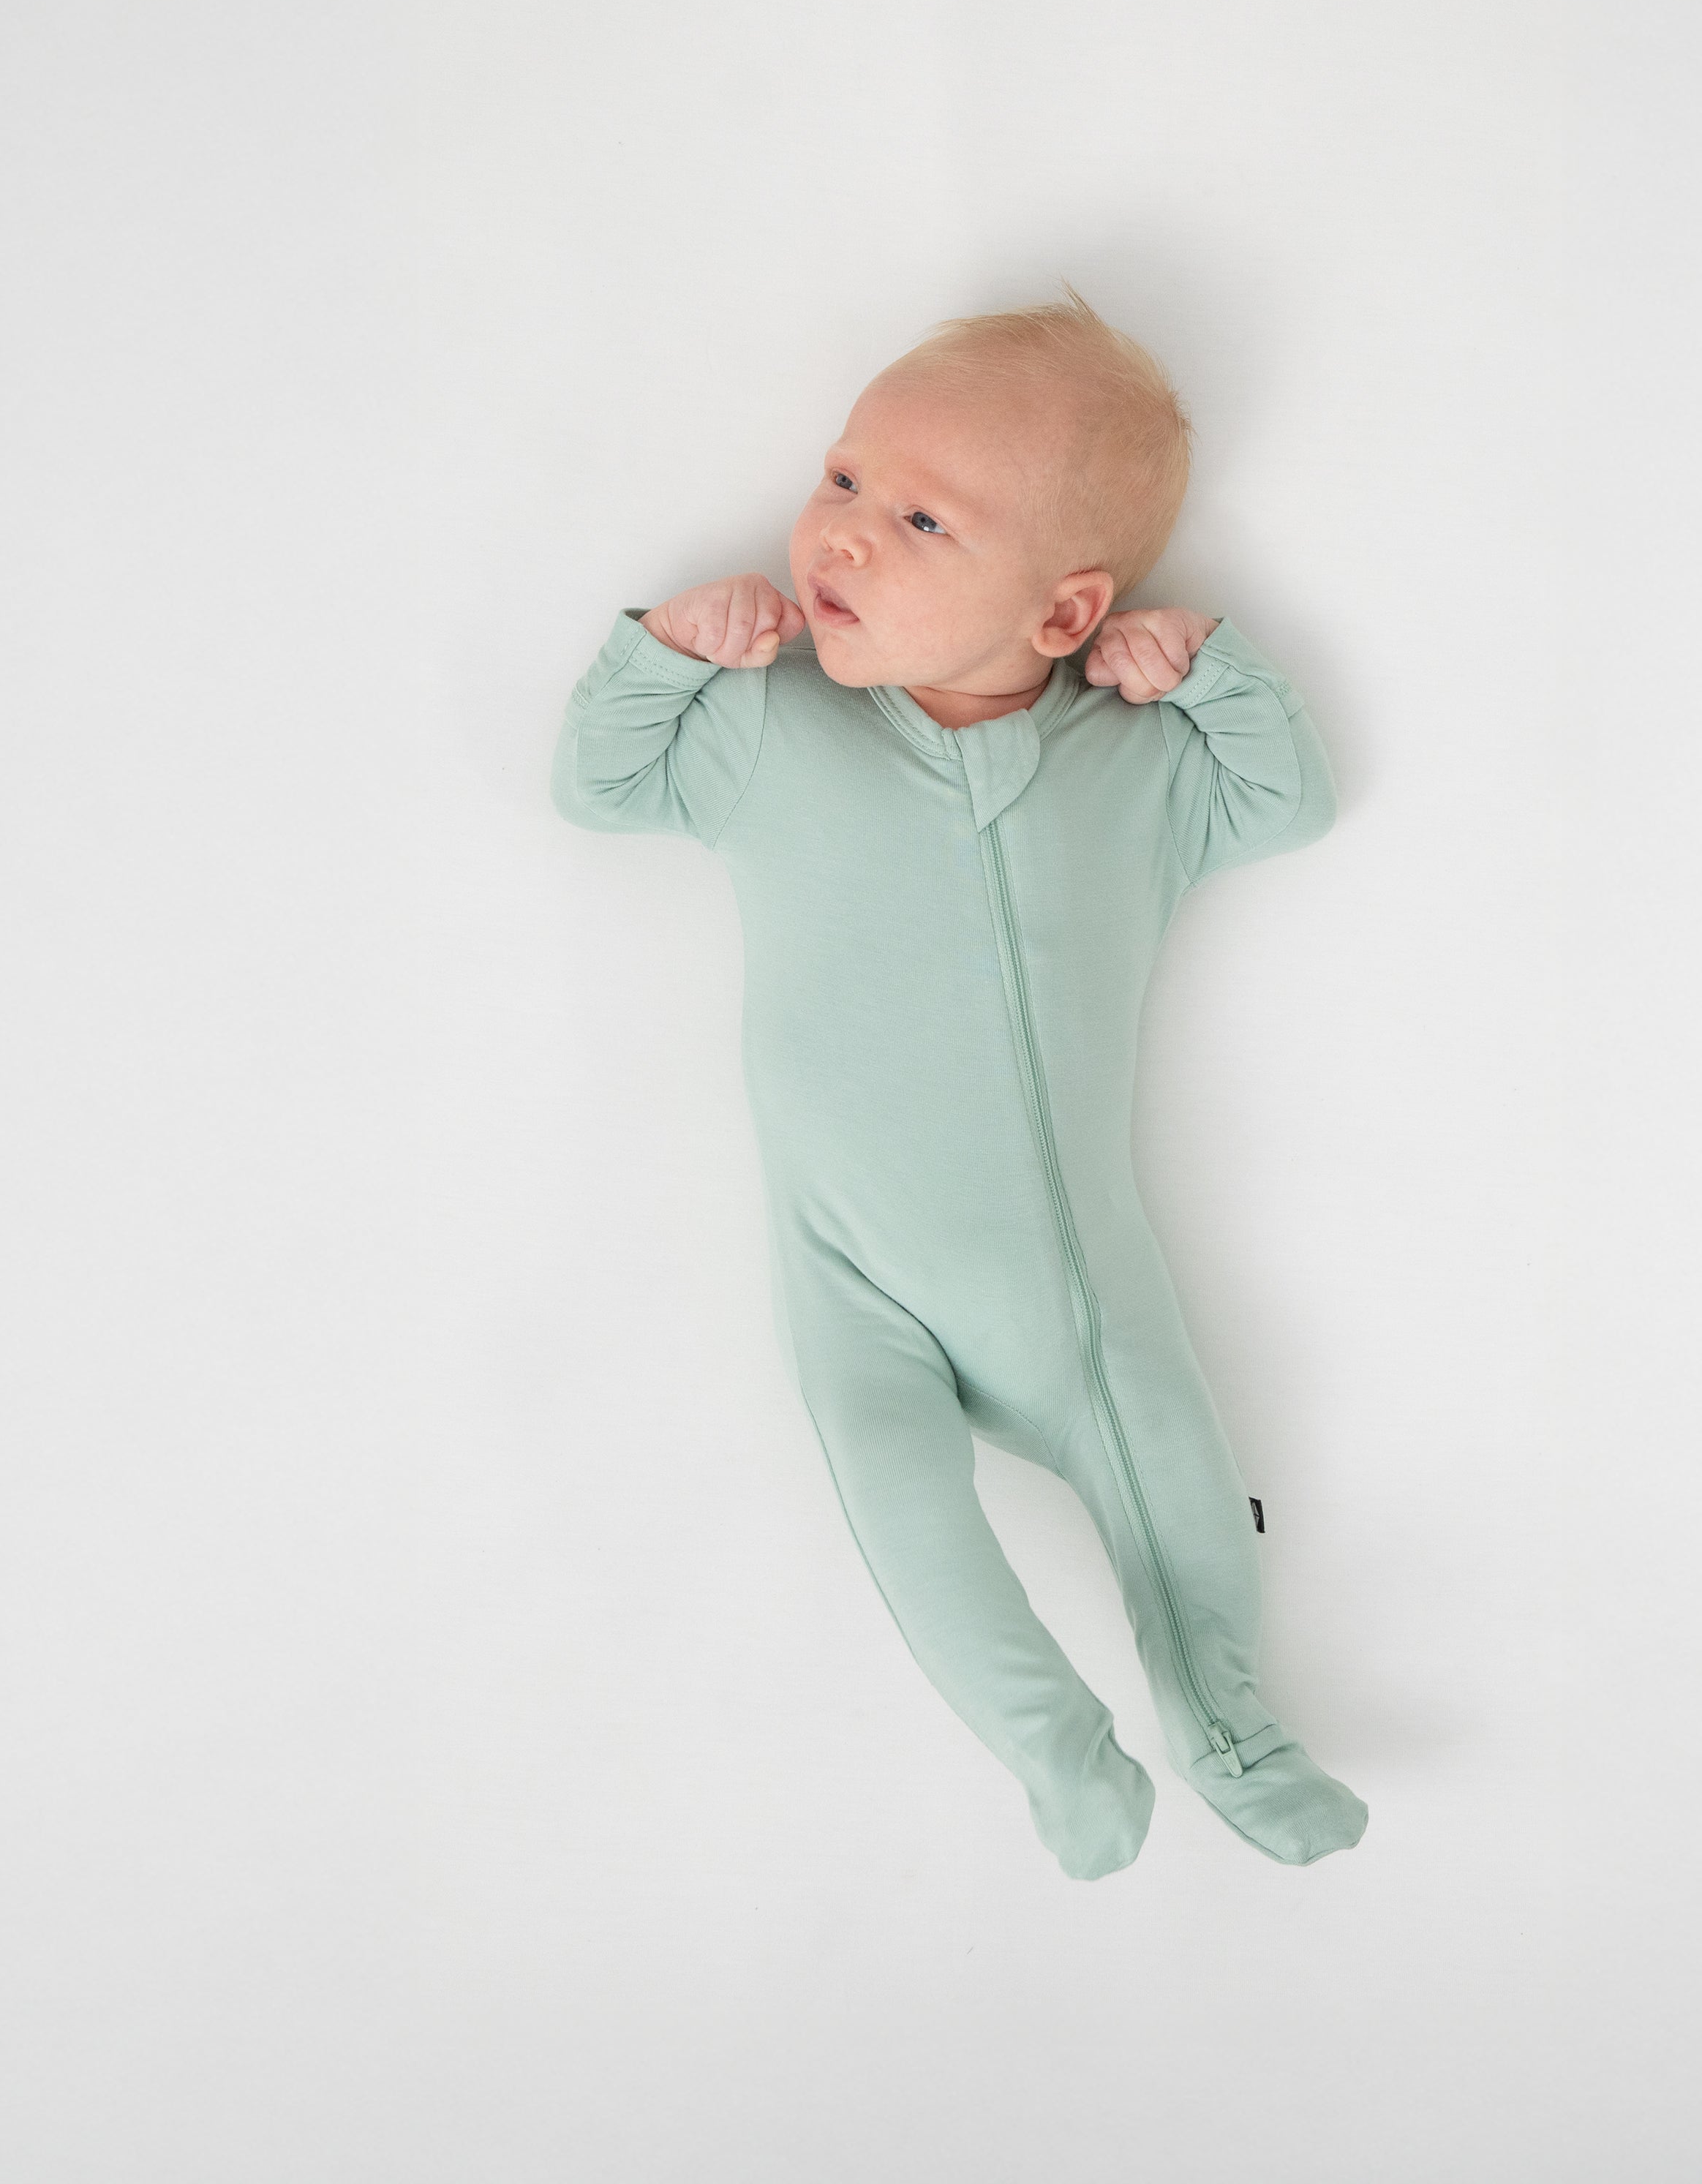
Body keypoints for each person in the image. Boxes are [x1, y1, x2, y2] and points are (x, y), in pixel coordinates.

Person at [551, 284, 1366, 1878]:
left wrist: (1204, 671)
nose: (841, 536)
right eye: (845, 479)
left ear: (1062, 615)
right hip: (848, 1277)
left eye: (921, 519)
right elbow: (597, 783)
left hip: (1075, 1292)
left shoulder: (1135, 771)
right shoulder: (766, 730)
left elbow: (1292, 804)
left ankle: (1230, 1726)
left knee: (1177, 1486)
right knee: (904, 1505)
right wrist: (661, 652)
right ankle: (1052, 1749)